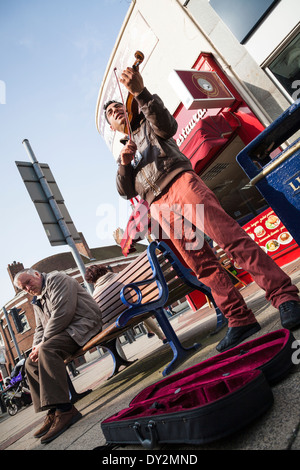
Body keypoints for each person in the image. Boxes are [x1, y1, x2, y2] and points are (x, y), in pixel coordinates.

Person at [103, 65, 300, 353]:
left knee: (229, 238)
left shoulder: (146, 117)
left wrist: (140, 92)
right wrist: (123, 163)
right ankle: (239, 318)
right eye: (110, 113)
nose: (116, 110)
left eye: (118, 106)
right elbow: (126, 190)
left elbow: (168, 126)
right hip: (159, 206)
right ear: (111, 128)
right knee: (200, 263)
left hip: (181, 183)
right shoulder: (124, 153)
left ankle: (284, 297)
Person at [14, 268, 103, 444]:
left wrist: (42, 343)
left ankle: (66, 410)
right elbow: (39, 328)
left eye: (28, 282)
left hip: (84, 324)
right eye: (23, 288)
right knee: (30, 363)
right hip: (65, 332)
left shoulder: (57, 280)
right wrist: (34, 348)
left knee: (46, 350)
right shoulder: (36, 300)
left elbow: (63, 313)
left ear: (37, 274)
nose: (27, 288)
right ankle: (53, 411)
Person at [84, 264, 167, 343]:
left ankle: (151, 331)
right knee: (136, 307)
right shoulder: (120, 277)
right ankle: (162, 336)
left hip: (118, 322)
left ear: (92, 280)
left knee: (133, 309)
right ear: (103, 270)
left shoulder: (96, 294)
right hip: (135, 309)